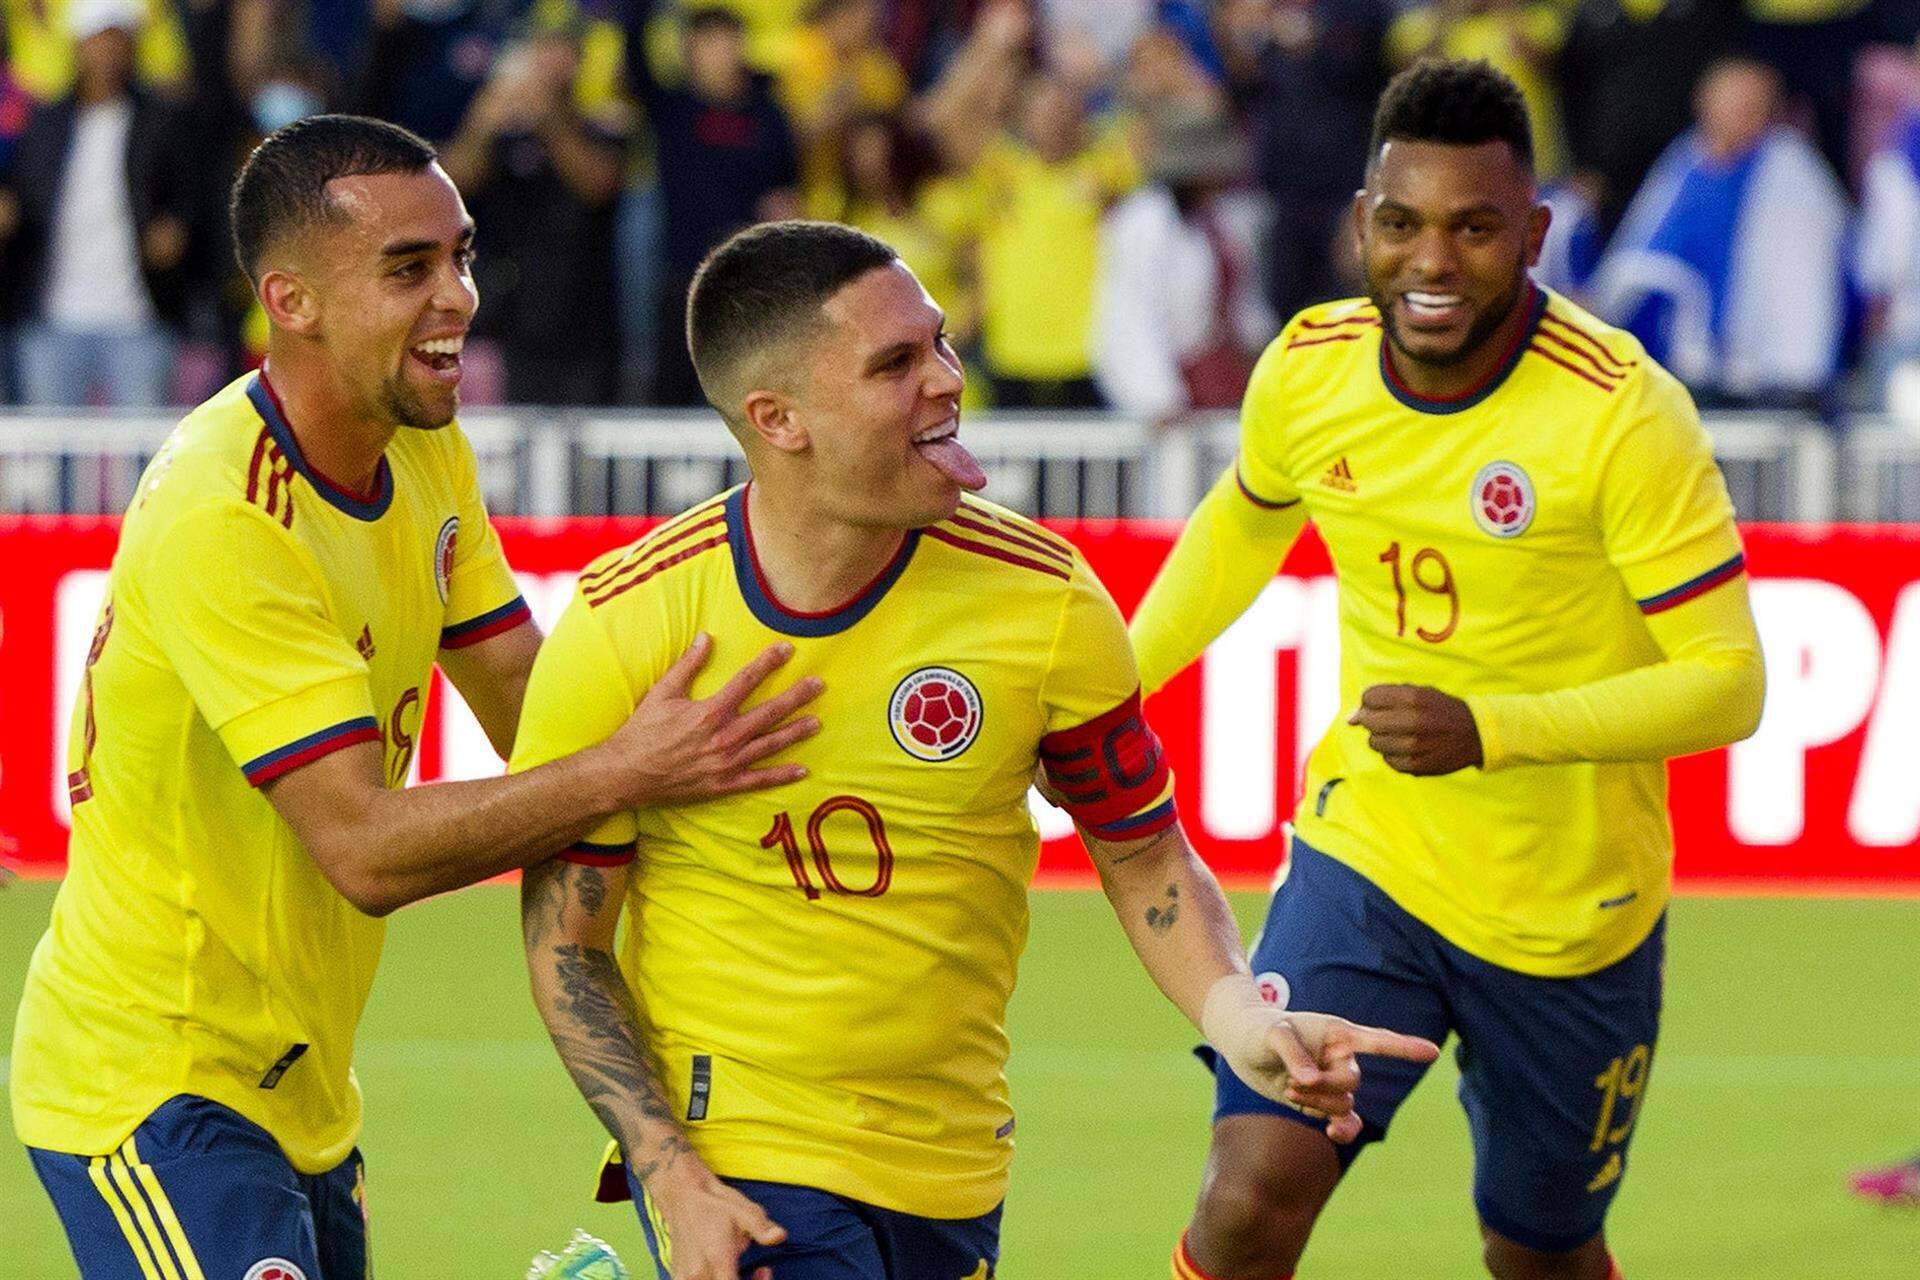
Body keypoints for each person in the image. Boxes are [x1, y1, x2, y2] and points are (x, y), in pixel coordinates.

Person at [508, 219, 1440, 1280]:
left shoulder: (1045, 600)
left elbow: (1142, 855)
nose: (949, 379)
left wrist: (1241, 1015)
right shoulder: (630, 621)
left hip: (955, 1159)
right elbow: (569, 943)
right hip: (742, 1148)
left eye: (941, 342)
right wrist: (669, 1169)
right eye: (896, 362)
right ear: (779, 418)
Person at [9, 114, 823, 1280]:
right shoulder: (222, 513)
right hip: (155, 1078)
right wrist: (635, 766)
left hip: (303, 1085)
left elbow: (532, 708)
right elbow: (367, 847)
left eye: (462, 254)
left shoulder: (423, 447)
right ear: (291, 300)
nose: (460, 296)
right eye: (410, 268)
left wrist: (745, 831)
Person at [1129, 60, 1766, 1280]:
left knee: (1537, 1248)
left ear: (1531, 234)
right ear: (1363, 221)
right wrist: (1100, 695)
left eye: (1474, 229)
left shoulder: (1622, 413)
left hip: (1572, 910)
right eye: (1405, 223)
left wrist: (1491, 726)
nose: (1433, 261)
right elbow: (1238, 533)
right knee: (1250, 1196)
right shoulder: (1310, 368)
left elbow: (1728, 680)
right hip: (1371, 857)